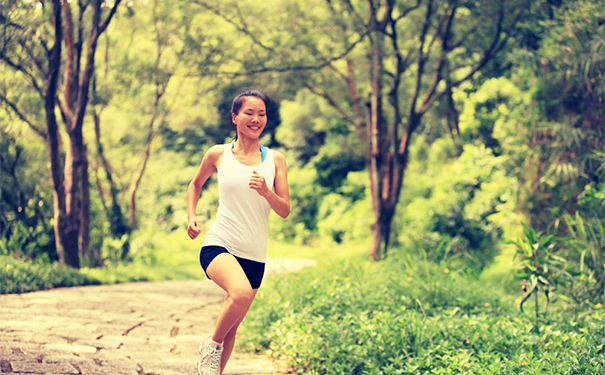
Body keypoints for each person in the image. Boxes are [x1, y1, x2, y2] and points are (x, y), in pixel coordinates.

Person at [186, 88, 290, 375]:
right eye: (249, 113)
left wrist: (267, 193)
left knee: (233, 326)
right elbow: (195, 185)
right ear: (235, 117)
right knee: (240, 293)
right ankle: (210, 344)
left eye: (261, 114)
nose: (255, 119)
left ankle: (211, 371)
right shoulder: (218, 154)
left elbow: (284, 209)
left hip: (254, 254)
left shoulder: (276, 160)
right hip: (220, 243)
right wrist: (192, 216)